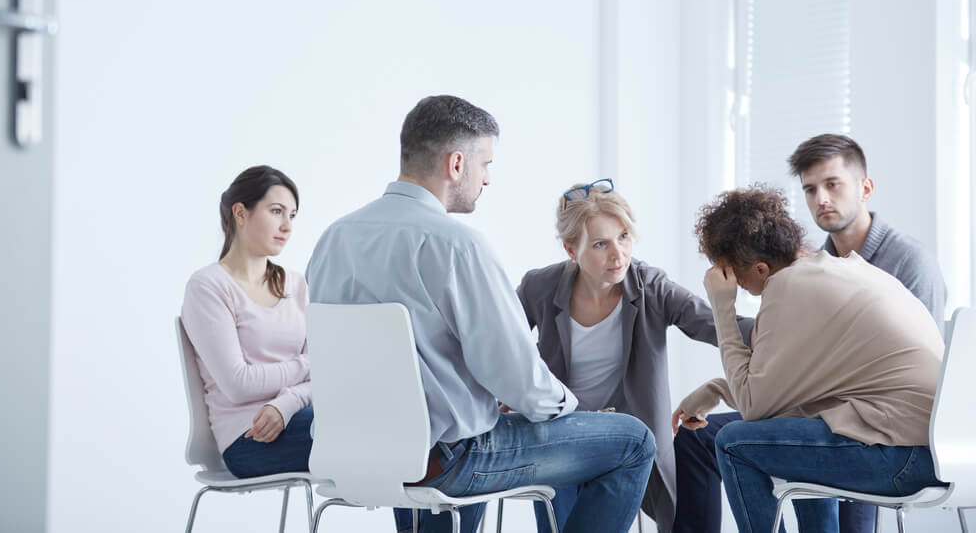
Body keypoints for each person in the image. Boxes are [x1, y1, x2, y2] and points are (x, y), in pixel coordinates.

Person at [306, 95, 655, 533]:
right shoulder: (456, 245)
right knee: (634, 441)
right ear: (456, 164)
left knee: (456, 428)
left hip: (356, 455)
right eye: (485, 164)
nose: (488, 179)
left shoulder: (333, 239)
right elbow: (519, 378)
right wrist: (570, 406)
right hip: (448, 462)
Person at [673, 133, 947, 533]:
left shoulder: (787, 289)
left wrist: (722, 308)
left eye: (732, 274)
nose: (736, 285)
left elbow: (754, 409)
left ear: (761, 269)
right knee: (800, 423)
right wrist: (716, 388)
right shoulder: (838, 268)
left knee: (733, 443)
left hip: (901, 455)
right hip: (936, 451)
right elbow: (789, 395)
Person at [517, 180, 754, 532]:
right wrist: (507, 392)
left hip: (625, 443)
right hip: (561, 435)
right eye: (600, 244)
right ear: (571, 250)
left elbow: (716, 325)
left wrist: (787, 325)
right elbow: (498, 344)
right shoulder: (540, 287)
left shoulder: (650, 287)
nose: (618, 255)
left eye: (624, 237)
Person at [181, 165, 313, 478]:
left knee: (399, 433)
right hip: (249, 437)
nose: (287, 226)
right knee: (381, 434)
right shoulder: (208, 286)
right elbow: (238, 385)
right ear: (240, 213)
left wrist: (288, 402)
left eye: (292, 215)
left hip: (300, 414)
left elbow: (329, 375)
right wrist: (309, 364)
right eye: (277, 211)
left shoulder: (296, 285)